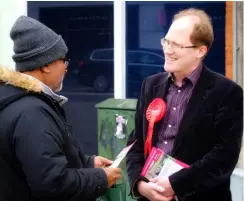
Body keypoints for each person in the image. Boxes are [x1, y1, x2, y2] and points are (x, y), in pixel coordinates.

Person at [126, 8, 243, 201]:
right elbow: (136, 141)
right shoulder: (151, 85)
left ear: (200, 51)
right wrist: (140, 184)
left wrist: (175, 185)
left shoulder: (226, 92)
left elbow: (224, 157)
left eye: (177, 45)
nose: (167, 50)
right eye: (167, 41)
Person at [0, 15, 122, 201]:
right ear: (47, 65)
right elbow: (53, 184)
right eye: (63, 60)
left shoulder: (19, 99)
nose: (66, 68)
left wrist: (87, 163)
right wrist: (101, 178)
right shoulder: (31, 113)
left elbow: (41, 162)